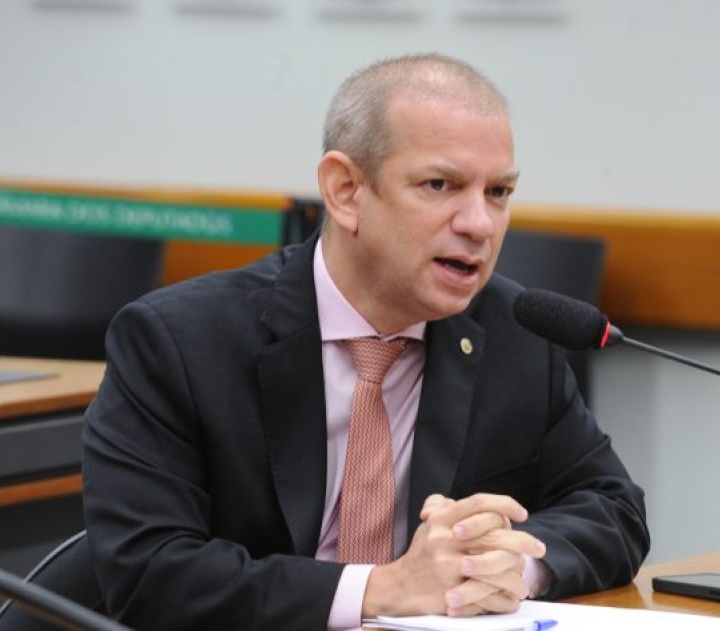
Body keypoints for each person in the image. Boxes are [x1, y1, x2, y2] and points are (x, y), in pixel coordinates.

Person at [82, 52, 649, 631]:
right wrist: (383, 589)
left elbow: (614, 508)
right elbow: (148, 572)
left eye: (498, 192)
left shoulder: (517, 333)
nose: (479, 224)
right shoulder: (179, 342)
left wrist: (512, 566)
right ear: (346, 190)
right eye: (440, 185)